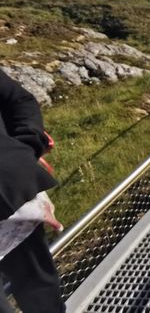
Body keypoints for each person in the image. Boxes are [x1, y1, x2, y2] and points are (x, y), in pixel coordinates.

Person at [0, 69, 65, 313]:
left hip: (13, 194)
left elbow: (19, 100)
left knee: (41, 291)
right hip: (14, 192)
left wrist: (24, 152)